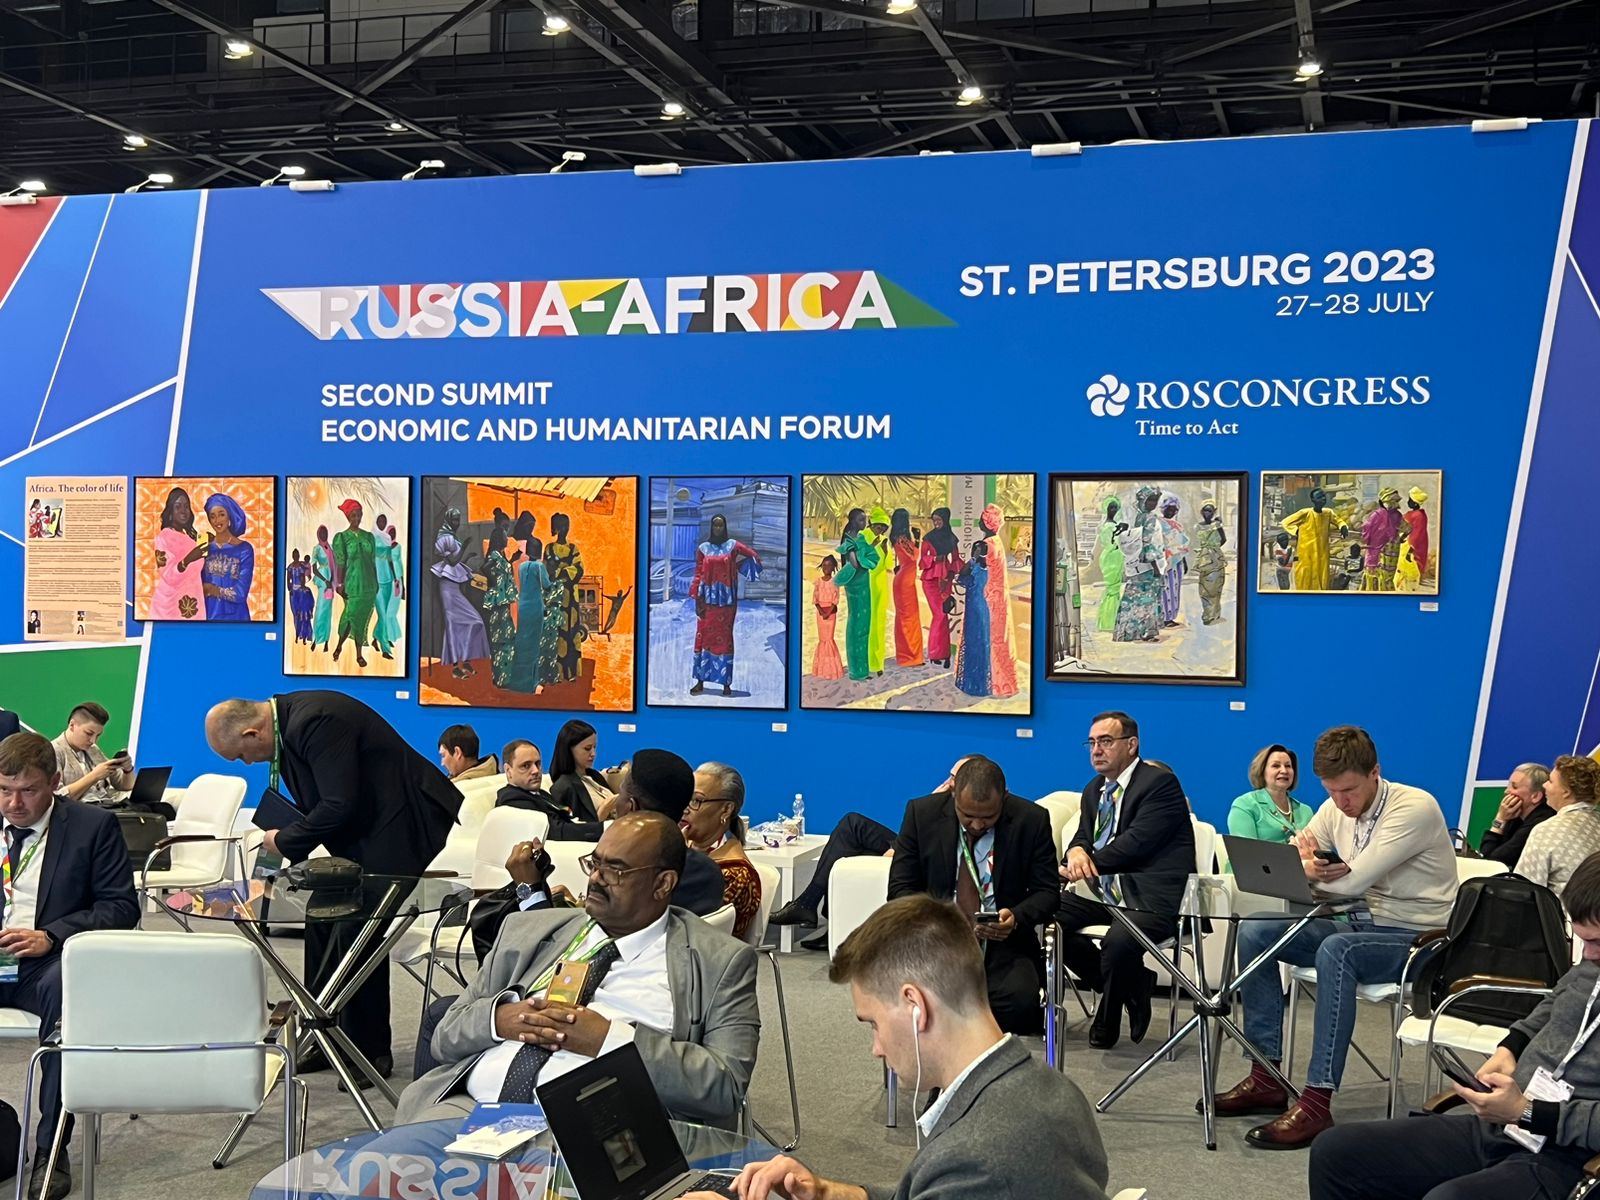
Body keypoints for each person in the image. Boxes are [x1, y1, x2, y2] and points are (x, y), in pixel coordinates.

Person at [690, 895, 1110, 1200]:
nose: (875, 1048)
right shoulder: (1052, 1089)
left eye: (873, 1023)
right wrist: (827, 1193)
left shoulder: (975, 1160)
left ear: (915, 1006)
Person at [396, 811, 758, 1126]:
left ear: (663, 883)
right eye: (595, 863)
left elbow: (724, 1087)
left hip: (593, 1130)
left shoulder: (720, 961)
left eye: (616, 869)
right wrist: (500, 1019)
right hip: (470, 1109)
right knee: (378, 1168)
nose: (596, 878)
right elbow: (444, 1037)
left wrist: (609, 1040)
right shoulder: (526, 931)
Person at [1214, 724, 1457, 1149]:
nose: (1341, 802)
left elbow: (1350, 883)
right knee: (1255, 931)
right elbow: (1292, 862)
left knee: (1336, 948)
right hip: (1362, 925)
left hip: (1420, 938)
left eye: (1349, 791)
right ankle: (1265, 1076)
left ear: (1375, 772)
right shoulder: (1333, 807)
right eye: (1331, 791)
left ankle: (1316, 1102)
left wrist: (1311, 872)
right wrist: (1310, 868)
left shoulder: (1414, 808)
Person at [1308, 852, 1600, 1200]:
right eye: (1583, 940)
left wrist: (1527, 1111)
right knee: (1337, 1152)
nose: (1588, 954)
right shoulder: (1592, 964)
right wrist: (1511, 1047)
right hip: (1507, 1127)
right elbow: (1556, 1002)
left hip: (1570, 1156)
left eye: (1597, 942)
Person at [204, 692, 463, 1079]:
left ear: (252, 733)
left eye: (241, 755)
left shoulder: (315, 722)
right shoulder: (288, 725)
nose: (248, 762)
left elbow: (339, 803)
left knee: (357, 929)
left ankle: (369, 1052)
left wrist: (286, 839)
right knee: (322, 921)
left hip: (405, 822)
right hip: (370, 825)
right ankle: (328, 1039)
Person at [0, 732, 140, 1200]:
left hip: (49, 962)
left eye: (28, 791)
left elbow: (121, 907)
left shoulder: (91, 827)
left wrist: (51, 935)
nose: (14, 804)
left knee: (68, 999)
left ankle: (51, 1148)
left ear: (55, 781)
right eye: (4, 790)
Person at [887, 756, 1057, 1035]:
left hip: (1003, 943)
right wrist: (934, 921)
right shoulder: (921, 814)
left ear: (1004, 798)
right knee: (919, 1000)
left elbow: (1048, 892)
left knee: (1020, 1004)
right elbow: (899, 889)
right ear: (953, 794)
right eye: (967, 816)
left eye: (988, 817)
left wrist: (1015, 918)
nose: (977, 825)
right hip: (937, 941)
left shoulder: (1031, 820)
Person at [1057, 711, 1194, 1048]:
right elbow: (1084, 836)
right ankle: (1133, 985)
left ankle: (1108, 1015)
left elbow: (1136, 843)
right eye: (1092, 743)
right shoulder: (1094, 790)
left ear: (1131, 745)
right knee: (1045, 916)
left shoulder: (1159, 784)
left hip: (1151, 896)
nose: (1096, 750)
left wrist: (1084, 864)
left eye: (1105, 741)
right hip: (1103, 892)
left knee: (1118, 943)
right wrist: (1075, 852)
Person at [770, 759, 970, 950]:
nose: (947, 782)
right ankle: (825, 919)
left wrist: (930, 808)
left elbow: (926, 843)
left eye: (954, 778)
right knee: (851, 827)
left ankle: (808, 905)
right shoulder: (938, 804)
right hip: (908, 843)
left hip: (919, 858)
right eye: (949, 775)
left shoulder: (963, 810)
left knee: (851, 837)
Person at [683, 763, 761, 939]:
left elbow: (688, 926)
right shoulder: (685, 845)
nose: (685, 808)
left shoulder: (736, 874)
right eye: (684, 797)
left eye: (696, 801)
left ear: (726, 809)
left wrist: (678, 859)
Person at [690, 513, 763, 697]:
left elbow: (754, 556)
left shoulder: (732, 546)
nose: (718, 528)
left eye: (720, 525)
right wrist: (697, 598)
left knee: (725, 640)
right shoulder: (703, 548)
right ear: (711, 527)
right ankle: (700, 682)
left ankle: (725, 684)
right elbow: (698, 573)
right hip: (707, 602)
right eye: (715, 525)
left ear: (725, 527)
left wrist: (736, 568)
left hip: (727, 603)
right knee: (703, 638)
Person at [1514, 755, 1600, 896]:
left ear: (1566, 792)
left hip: (1563, 910)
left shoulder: (1545, 831)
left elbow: (1524, 890)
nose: (1544, 785)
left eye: (1550, 781)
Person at [496, 739, 603, 840]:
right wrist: (603, 829)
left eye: (537, 764)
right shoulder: (511, 799)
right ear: (508, 770)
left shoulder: (539, 793)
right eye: (526, 766)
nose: (536, 770)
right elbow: (555, 830)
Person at [431, 507, 489, 680]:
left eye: (458, 519)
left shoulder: (452, 537)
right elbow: (452, 561)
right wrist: (464, 547)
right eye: (454, 519)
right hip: (447, 587)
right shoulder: (444, 537)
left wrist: (467, 556)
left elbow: (457, 562)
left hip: (455, 586)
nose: (457, 523)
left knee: (475, 621)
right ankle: (456, 667)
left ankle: (467, 659)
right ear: (448, 519)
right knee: (453, 625)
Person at [968, 504, 1019, 698]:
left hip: (988, 597)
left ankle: (992, 683)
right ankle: (1004, 682)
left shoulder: (982, 545)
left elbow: (971, 568)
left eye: (982, 518)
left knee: (989, 639)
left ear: (987, 523)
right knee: (1001, 639)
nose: (979, 521)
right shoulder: (997, 542)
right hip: (1000, 598)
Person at [1227, 744, 1313, 854]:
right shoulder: (1245, 805)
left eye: (1288, 766)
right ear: (1262, 771)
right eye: (1276, 766)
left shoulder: (1306, 811)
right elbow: (1246, 854)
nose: (1284, 771)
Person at [507, 516, 555, 694]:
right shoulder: (539, 567)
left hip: (523, 606)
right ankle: (531, 685)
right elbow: (547, 585)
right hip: (535, 606)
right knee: (534, 646)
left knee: (522, 644)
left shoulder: (522, 566)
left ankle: (517, 682)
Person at [330, 498, 379, 667]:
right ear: (348, 517)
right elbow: (340, 562)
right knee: (350, 617)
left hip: (369, 585)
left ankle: (359, 654)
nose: (356, 518)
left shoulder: (369, 537)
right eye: (353, 515)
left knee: (362, 618)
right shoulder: (342, 538)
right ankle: (339, 646)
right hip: (351, 585)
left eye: (359, 515)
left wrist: (376, 583)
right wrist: (339, 584)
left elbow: (373, 562)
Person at [51, 702, 131, 806]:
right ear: (72, 725)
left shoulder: (93, 749)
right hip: (81, 810)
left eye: (98, 735)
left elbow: (124, 785)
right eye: (89, 733)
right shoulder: (53, 752)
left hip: (107, 805)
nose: (93, 741)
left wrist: (127, 769)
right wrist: (94, 776)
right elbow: (57, 798)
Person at [1113, 487, 1165, 642]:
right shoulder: (1150, 518)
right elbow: (1147, 542)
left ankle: (1129, 632)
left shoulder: (1139, 517)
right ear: (1143, 501)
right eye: (1150, 500)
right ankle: (1146, 632)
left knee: (1134, 597)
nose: (1153, 503)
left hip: (1136, 564)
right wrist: (1156, 567)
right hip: (1148, 565)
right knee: (1147, 598)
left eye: (1155, 500)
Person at [834, 508, 881, 683]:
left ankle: (862, 668)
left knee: (864, 624)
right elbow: (855, 563)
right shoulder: (849, 540)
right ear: (853, 521)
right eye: (861, 520)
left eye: (865, 519)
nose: (865, 523)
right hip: (855, 584)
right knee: (857, 624)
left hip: (863, 582)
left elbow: (867, 556)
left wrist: (868, 551)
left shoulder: (859, 538)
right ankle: (856, 670)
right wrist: (866, 555)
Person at [149, 485, 206, 622]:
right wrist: (188, 559)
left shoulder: (190, 537)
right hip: (170, 607)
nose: (183, 511)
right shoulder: (164, 537)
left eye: (186, 507)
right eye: (178, 506)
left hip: (193, 603)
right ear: (170, 511)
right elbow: (168, 575)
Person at [1478, 762, 1552, 867]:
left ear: (1535, 796)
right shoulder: (1515, 816)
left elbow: (1492, 863)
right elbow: (1485, 857)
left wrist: (1500, 818)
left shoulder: (1540, 823)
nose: (1506, 791)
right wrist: (1501, 820)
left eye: (1514, 787)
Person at [544, 511, 586, 684]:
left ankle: (571, 672)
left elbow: (580, 569)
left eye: (567, 526)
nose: (566, 530)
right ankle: (557, 673)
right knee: (556, 633)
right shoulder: (549, 548)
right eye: (563, 526)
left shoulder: (573, 549)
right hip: (555, 598)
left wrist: (559, 572)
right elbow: (547, 571)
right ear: (557, 528)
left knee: (571, 632)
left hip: (571, 600)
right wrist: (561, 572)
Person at [548, 719, 616, 824]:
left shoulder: (595, 775)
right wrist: (605, 809)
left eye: (594, 747)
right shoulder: (564, 787)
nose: (593, 753)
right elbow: (575, 828)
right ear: (569, 749)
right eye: (587, 748)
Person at [200, 492, 255, 621]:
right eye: (212, 516)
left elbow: (240, 593)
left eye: (221, 514)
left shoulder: (244, 549)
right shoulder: (204, 547)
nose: (217, 520)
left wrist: (212, 589)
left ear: (229, 515)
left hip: (237, 617)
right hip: (209, 614)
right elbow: (196, 583)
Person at [919, 506, 962, 669]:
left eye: (939, 520)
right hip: (931, 581)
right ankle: (935, 653)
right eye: (934, 520)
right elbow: (922, 561)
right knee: (939, 615)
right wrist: (935, 559)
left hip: (946, 580)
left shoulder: (952, 538)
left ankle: (943, 653)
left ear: (946, 520)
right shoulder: (928, 538)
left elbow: (956, 559)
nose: (936, 523)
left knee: (943, 615)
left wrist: (953, 572)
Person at [1281, 487, 1344, 591]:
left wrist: (1343, 526)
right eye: (1319, 497)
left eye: (1323, 496)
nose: (1323, 499)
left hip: (1322, 553)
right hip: (1306, 553)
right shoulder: (1305, 513)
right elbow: (1286, 522)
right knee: (1305, 578)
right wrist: (1296, 531)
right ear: (1313, 500)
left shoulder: (1328, 513)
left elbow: (1338, 520)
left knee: (1322, 577)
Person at [481, 526, 519, 688]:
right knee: (501, 641)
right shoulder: (494, 555)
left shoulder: (500, 555)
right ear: (498, 539)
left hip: (503, 603)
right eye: (504, 536)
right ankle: (501, 679)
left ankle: (505, 677)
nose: (506, 539)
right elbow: (485, 568)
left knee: (506, 640)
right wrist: (494, 582)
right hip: (498, 603)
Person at [952, 547, 991, 697]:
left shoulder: (975, 570)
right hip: (982, 609)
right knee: (981, 646)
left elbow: (960, 576)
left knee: (973, 644)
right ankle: (980, 684)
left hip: (974, 610)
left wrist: (972, 559)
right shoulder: (986, 569)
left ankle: (973, 685)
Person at [889, 508, 924, 668]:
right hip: (905, 582)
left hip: (904, 579)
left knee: (906, 617)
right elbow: (914, 556)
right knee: (908, 618)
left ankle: (909, 655)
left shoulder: (898, 537)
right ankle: (909, 656)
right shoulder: (902, 538)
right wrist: (917, 539)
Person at [863, 506, 892, 677]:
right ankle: (866, 662)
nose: (880, 529)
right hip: (867, 583)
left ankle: (877, 663)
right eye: (878, 526)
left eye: (883, 527)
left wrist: (886, 551)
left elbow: (889, 565)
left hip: (881, 584)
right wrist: (872, 547)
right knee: (868, 624)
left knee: (879, 624)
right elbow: (861, 560)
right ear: (871, 523)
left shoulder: (883, 540)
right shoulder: (863, 536)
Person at [1362, 486, 1406, 592]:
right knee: (1388, 577)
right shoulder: (1398, 515)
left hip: (1377, 551)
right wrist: (1400, 538)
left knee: (1374, 576)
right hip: (1393, 549)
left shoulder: (1376, 514)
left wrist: (1367, 541)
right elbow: (1408, 529)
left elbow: (1366, 531)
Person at [372, 515, 403, 658]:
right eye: (380, 521)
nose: (382, 523)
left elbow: (390, 560)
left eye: (384, 521)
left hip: (388, 581)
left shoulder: (387, 538)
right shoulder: (372, 538)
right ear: (376, 522)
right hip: (377, 581)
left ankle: (376, 638)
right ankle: (385, 649)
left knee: (384, 614)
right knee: (383, 615)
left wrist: (395, 578)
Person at [1193, 498, 1228, 625]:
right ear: (1201, 512)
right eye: (1205, 510)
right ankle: (1208, 613)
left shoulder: (1217, 525)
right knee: (1204, 587)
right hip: (1203, 559)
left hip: (1216, 558)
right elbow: (1194, 541)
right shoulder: (1197, 526)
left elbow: (1223, 539)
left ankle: (1213, 614)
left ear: (1214, 512)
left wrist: (1213, 549)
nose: (1207, 513)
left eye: (1210, 511)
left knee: (1215, 586)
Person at [1094, 494, 1126, 633]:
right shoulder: (1107, 526)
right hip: (1110, 558)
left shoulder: (1113, 524)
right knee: (1112, 589)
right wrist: (1120, 531)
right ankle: (1108, 622)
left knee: (1115, 589)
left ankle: (1112, 620)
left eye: (1115, 507)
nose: (1113, 510)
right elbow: (1110, 543)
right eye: (1110, 507)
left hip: (1116, 557)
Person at [1158, 492, 1189, 627]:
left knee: (1175, 588)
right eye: (1169, 509)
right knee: (1165, 588)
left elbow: (1182, 545)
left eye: (1174, 510)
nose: (1171, 512)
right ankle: (1164, 617)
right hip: (1165, 561)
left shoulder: (1178, 525)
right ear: (1163, 509)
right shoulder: (1158, 523)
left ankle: (1171, 617)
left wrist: (1184, 561)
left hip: (1177, 561)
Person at [812, 555, 843, 681]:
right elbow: (815, 599)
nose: (826, 568)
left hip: (831, 614)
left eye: (829, 565)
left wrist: (828, 612)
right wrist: (821, 611)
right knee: (822, 639)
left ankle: (831, 669)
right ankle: (822, 669)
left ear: (833, 567)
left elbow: (836, 600)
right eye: (824, 565)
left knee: (829, 639)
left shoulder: (835, 582)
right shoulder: (818, 581)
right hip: (820, 614)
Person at [311, 525, 335, 653]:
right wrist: (326, 581)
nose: (324, 535)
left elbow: (334, 565)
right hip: (323, 580)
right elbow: (314, 569)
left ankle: (326, 640)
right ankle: (315, 638)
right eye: (322, 533)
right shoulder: (317, 549)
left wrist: (332, 580)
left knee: (327, 612)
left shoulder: (330, 548)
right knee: (320, 610)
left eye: (325, 532)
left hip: (331, 581)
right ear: (318, 535)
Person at [286, 550, 314, 644]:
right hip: (293, 592)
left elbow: (303, 578)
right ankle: (298, 633)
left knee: (303, 614)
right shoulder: (290, 567)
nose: (296, 556)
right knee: (295, 613)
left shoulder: (301, 567)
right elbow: (288, 579)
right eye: (294, 555)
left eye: (297, 555)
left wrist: (302, 587)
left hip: (301, 592)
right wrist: (290, 589)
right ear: (292, 556)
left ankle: (304, 634)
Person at [1403, 485, 1430, 576]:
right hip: (1407, 544)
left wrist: (1410, 550)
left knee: (1413, 566)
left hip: (1416, 546)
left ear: (1415, 503)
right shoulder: (1411, 514)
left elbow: (1417, 534)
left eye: (1410, 500)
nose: (1408, 502)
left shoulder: (1419, 516)